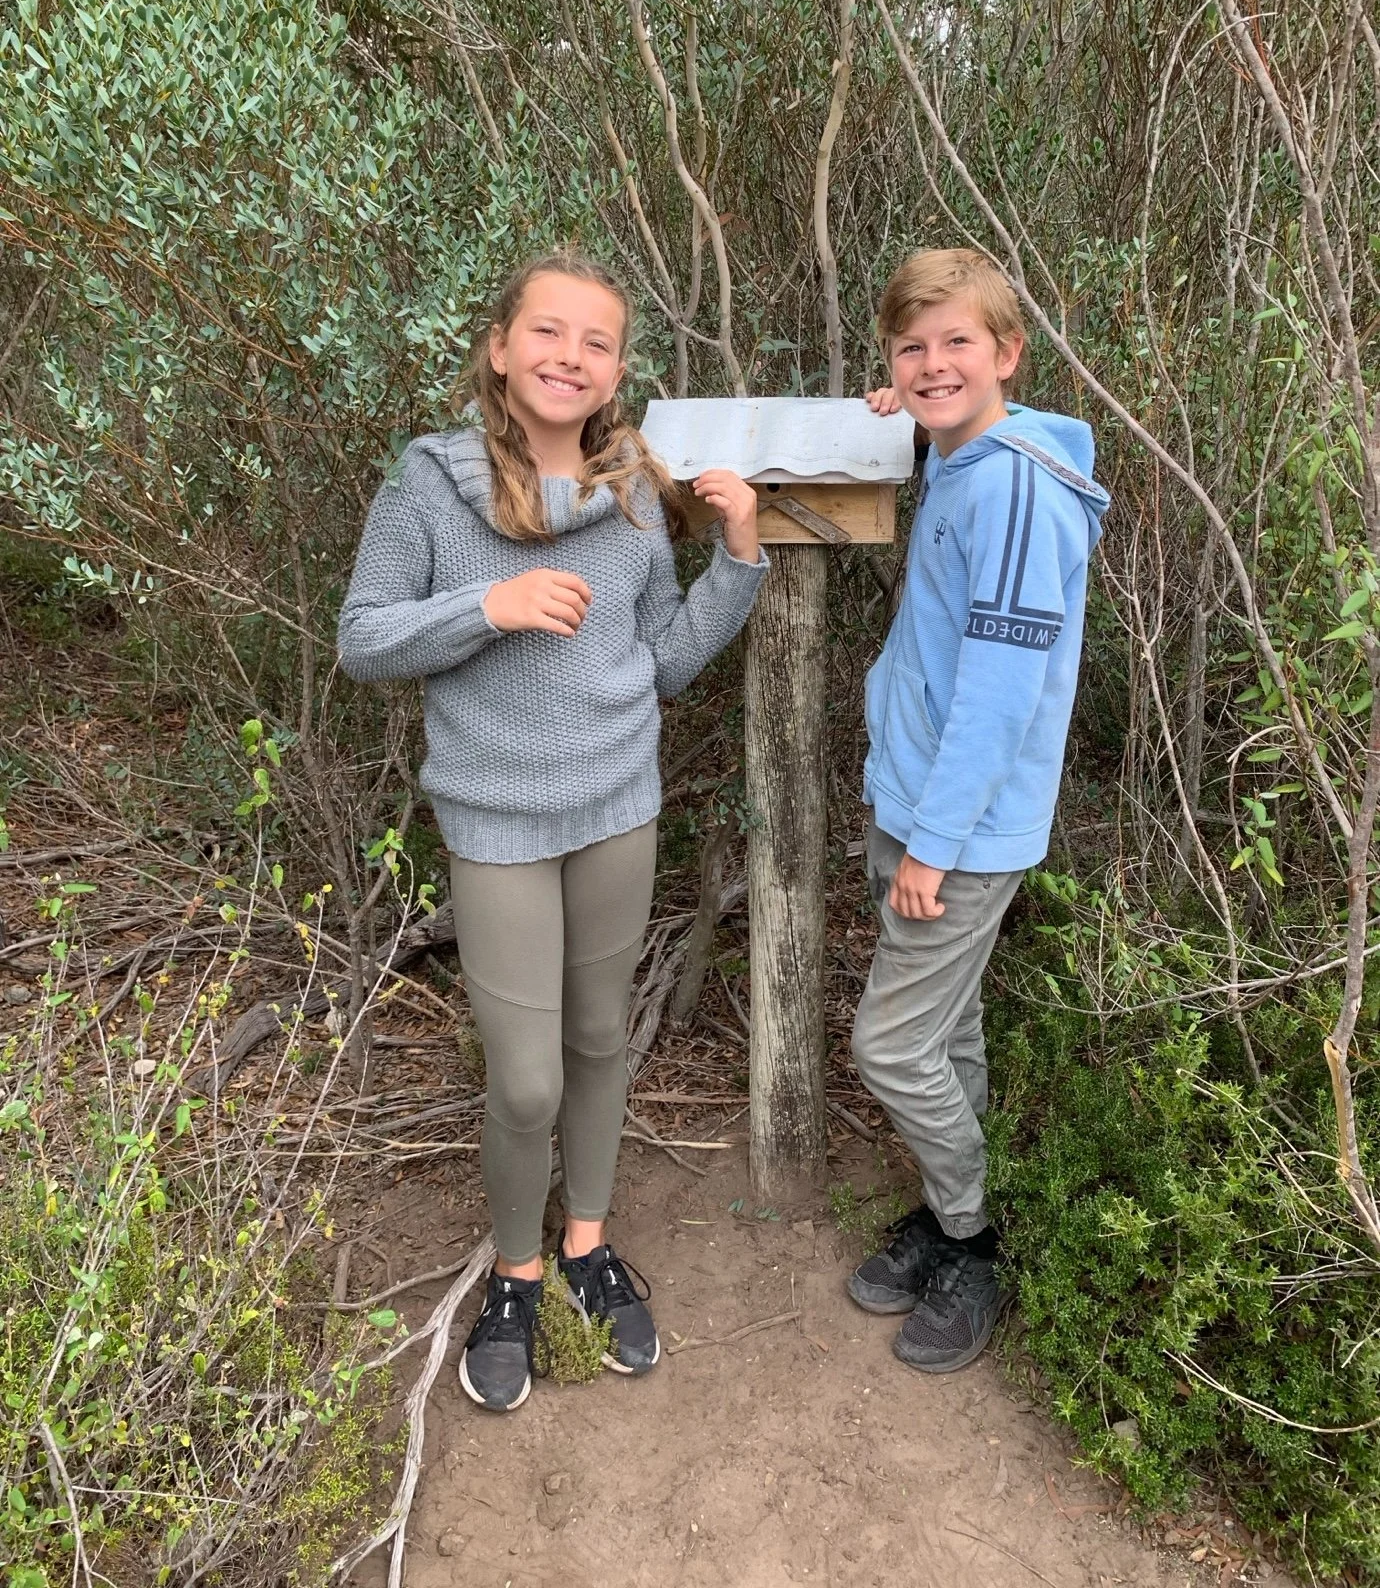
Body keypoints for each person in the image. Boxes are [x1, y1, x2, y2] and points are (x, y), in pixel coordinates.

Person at [338, 251, 766, 1411]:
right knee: (526, 1083)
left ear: (617, 372)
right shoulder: (430, 482)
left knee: (597, 1038)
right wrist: (489, 605)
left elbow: (664, 661)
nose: (569, 356)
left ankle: (585, 1245)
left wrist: (738, 556)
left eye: (596, 342)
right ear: (499, 346)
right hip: (497, 827)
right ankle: (514, 1274)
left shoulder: (633, 490)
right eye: (548, 331)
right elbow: (362, 638)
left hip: (618, 811)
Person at [850, 247, 1109, 1373]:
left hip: (953, 831)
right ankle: (958, 1206)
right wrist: (911, 415)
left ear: (1009, 353)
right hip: (918, 803)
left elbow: (1001, 695)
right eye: (911, 348)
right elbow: (952, 416)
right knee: (945, 1028)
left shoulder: (1014, 491)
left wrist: (934, 846)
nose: (931, 364)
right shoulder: (967, 454)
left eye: (958, 343)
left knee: (891, 1045)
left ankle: (972, 1238)